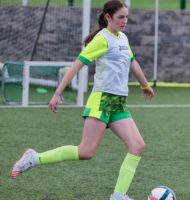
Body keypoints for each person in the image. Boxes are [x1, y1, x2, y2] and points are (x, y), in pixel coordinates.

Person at [10, 1, 154, 200]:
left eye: (126, 17)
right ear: (107, 17)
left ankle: (119, 196)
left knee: (137, 146)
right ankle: (34, 158)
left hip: (118, 103)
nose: (125, 21)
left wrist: (145, 85)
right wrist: (58, 93)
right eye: (120, 17)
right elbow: (76, 66)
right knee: (86, 151)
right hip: (102, 101)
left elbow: (132, 62)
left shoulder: (123, 38)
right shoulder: (101, 40)